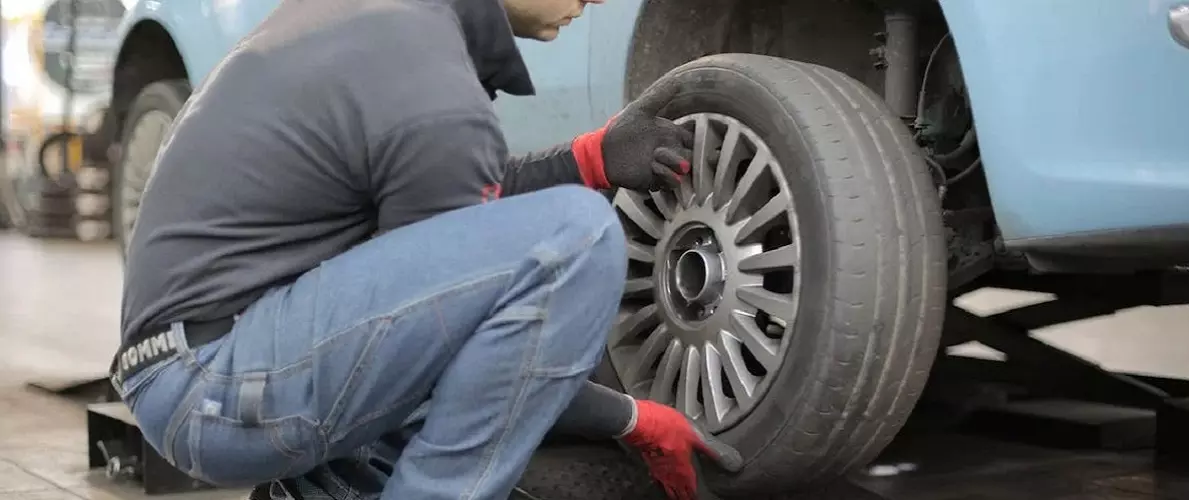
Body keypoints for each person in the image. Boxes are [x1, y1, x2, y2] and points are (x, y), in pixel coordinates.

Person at [109, 0, 743, 499]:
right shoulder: (425, 71)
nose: (600, 0)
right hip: (218, 386)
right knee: (576, 239)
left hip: (197, 368)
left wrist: (588, 159)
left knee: (540, 246)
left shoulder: (393, 25)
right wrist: (631, 418)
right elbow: (460, 321)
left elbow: (451, 235)